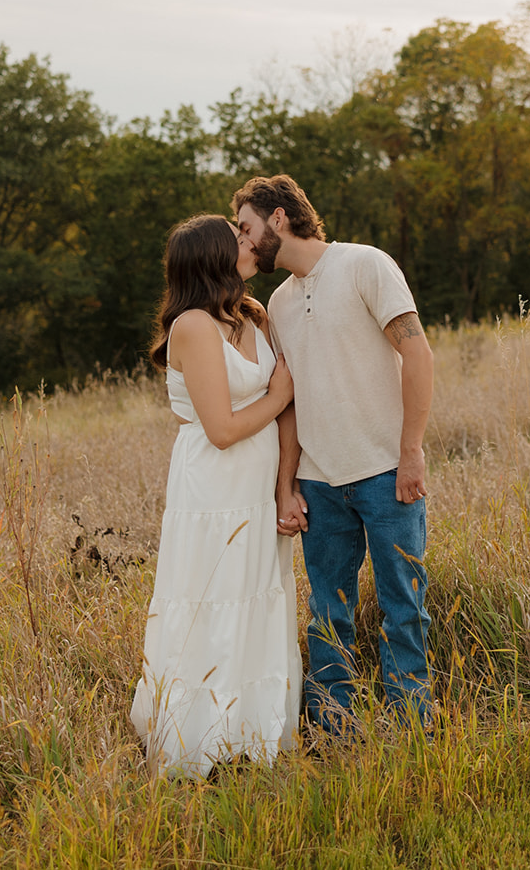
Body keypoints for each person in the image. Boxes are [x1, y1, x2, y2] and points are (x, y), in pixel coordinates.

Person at [233, 175, 436, 733]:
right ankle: (332, 731)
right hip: (321, 485)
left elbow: (418, 356)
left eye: (248, 228)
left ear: (278, 218)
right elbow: (289, 401)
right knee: (328, 614)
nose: (245, 243)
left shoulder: (365, 264)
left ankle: (411, 727)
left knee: (403, 606)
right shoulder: (278, 302)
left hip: (386, 474)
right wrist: (289, 483)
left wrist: (411, 451)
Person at [129, 215, 303, 778]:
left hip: (259, 485)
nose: (249, 244)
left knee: (259, 595)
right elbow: (222, 429)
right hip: (214, 487)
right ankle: (202, 738)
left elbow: (286, 408)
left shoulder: (252, 314)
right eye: (238, 240)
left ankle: (253, 734)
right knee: (215, 599)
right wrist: (279, 394)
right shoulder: (193, 327)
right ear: (212, 258)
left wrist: (286, 487)